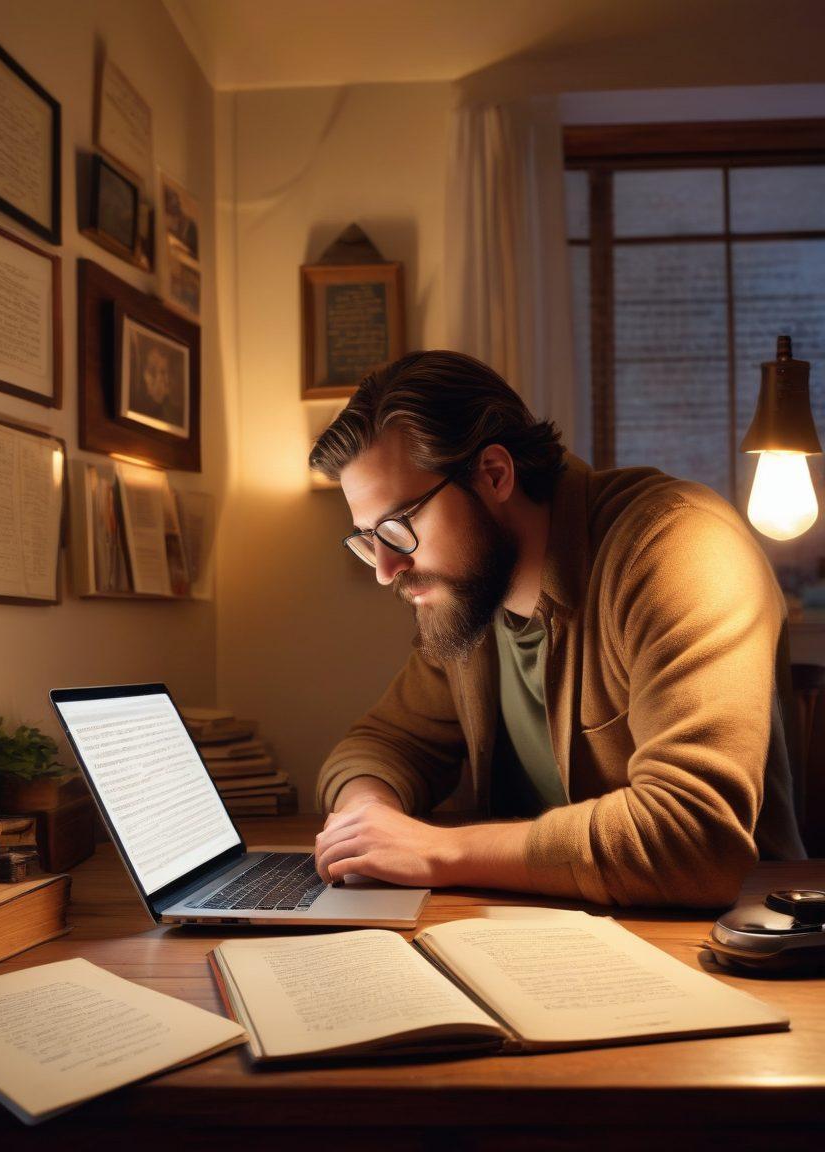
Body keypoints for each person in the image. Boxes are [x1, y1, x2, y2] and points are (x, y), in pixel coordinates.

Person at [308, 350, 805, 907]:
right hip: (540, 928)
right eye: (367, 538)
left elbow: (694, 837)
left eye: (398, 526)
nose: (384, 569)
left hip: (718, 937)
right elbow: (385, 742)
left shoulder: (677, 548)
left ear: (494, 475)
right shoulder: (472, 598)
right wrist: (366, 817)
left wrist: (437, 851)